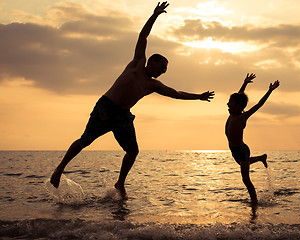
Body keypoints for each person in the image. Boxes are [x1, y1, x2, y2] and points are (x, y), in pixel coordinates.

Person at [50, 2, 215, 199]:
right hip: (106, 107)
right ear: (152, 61)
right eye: (162, 67)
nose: (162, 72)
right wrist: (154, 15)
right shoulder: (137, 63)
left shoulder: (153, 85)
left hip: (122, 116)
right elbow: (143, 36)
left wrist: (199, 97)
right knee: (85, 140)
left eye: (165, 70)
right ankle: (60, 169)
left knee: (133, 151)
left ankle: (120, 182)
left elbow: (176, 93)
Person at [225, 73, 279, 205]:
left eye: (230, 103)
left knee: (245, 179)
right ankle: (261, 158)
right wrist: (245, 83)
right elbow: (239, 94)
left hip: (241, 150)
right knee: (244, 164)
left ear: (238, 106)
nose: (227, 104)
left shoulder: (242, 117)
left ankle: (254, 202)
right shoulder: (232, 113)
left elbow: (259, 104)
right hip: (234, 149)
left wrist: (270, 90)